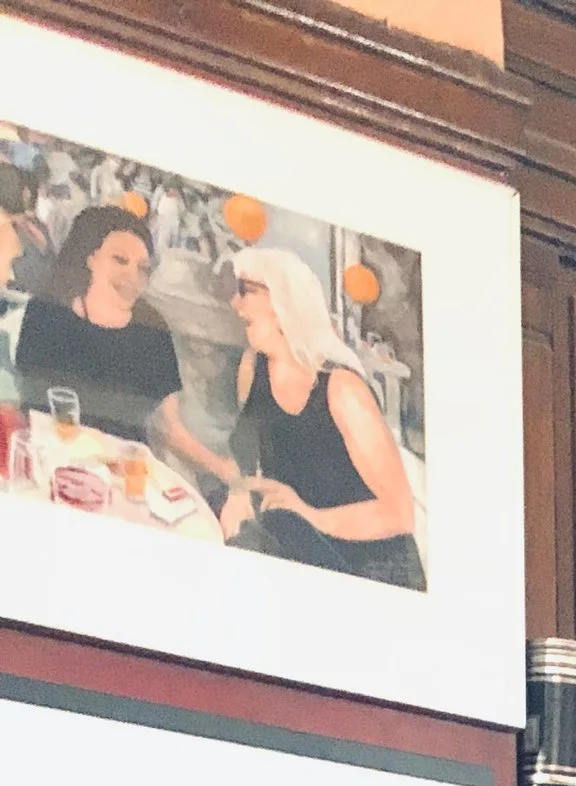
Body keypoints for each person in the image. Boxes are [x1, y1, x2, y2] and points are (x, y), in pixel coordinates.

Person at [221, 245, 424, 589]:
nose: (235, 304)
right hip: (296, 540)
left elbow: (400, 515)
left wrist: (309, 516)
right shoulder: (253, 367)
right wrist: (239, 493)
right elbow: (246, 460)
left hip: (367, 565)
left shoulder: (342, 389)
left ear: (285, 299)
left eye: (246, 291)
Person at [10, 206, 229, 490]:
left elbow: (169, 427)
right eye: (120, 260)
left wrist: (224, 469)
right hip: (51, 465)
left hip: (121, 478)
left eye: (142, 268)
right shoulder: (48, 311)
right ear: (90, 257)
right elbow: (28, 399)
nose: (132, 276)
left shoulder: (152, 329)